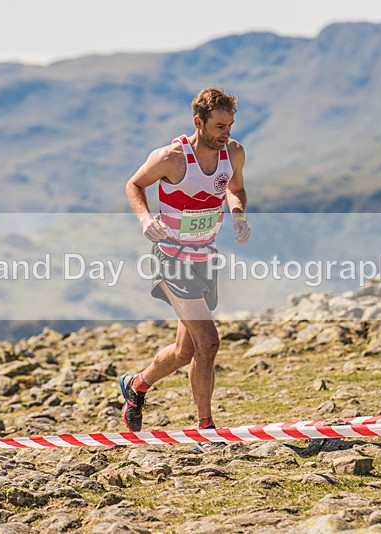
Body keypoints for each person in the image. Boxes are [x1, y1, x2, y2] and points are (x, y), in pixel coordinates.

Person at [120, 87, 251, 444]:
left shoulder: (233, 153)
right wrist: (146, 219)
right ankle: (205, 427)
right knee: (209, 342)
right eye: (220, 126)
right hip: (172, 259)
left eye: (230, 125)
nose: (226, 134)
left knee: (186, 351)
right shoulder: (171, 158)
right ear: (199, 122)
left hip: (205, 257)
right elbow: (134, 185)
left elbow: (236, 188)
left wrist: (238, 215)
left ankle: (136, 385)